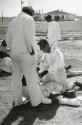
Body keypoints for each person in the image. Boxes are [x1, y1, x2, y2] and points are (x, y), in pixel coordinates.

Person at [6, 6, 52, 107]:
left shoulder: (13, 21)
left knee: (16, 79)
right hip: (26, 53)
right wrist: (31, 51)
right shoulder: (29, 19)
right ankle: (36, 101)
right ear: (31, 13)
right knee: (32, 79)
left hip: (14, 54)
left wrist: (13, 48)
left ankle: (17, 101)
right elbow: (29, 37)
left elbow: (8, 41)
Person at [37, 39, 82, 107]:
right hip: (49, 77)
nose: (40, 49)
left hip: (59, 76)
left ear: (47, 45)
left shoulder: (57, 53)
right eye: (40, 47)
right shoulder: (45, 54)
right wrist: (41, 72)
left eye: (42, 46)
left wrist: (46, 71)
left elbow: (57, 64)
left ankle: (74, 82)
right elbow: (43, 65)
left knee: (68, 93)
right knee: (44, 89)